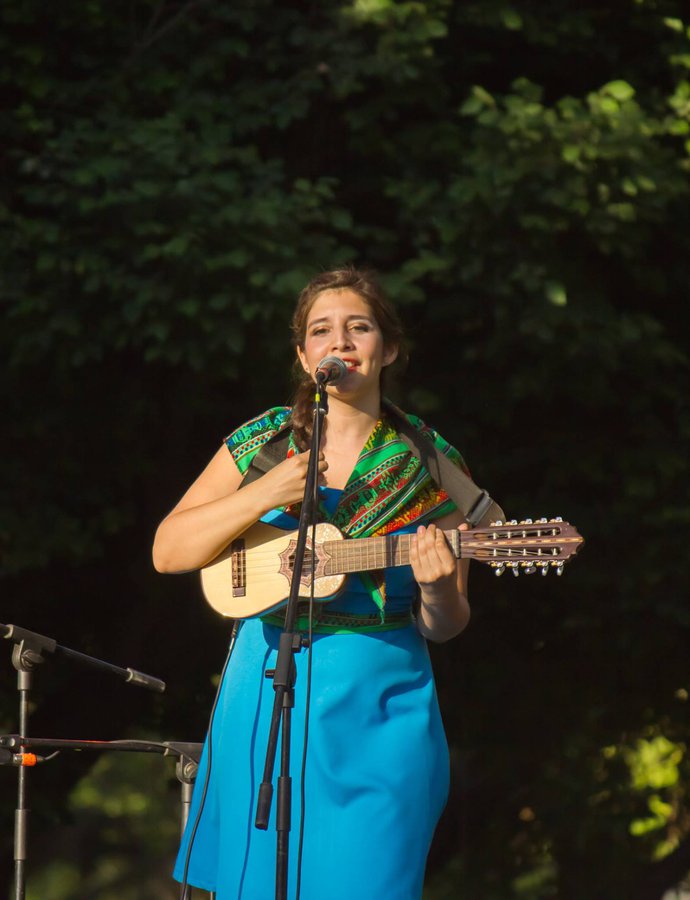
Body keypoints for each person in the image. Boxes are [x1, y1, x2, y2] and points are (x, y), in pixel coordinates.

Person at [153, 267, 471, 900]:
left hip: (381, 702)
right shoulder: (265, 441)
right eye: (322, 331)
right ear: (304, 357)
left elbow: (447, 623)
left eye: (359, 327)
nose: (340, 342)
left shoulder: (429, 460)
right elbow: (169, 550)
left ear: (389, 349)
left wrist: (437, 589)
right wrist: (263, 493)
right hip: (267, 684)